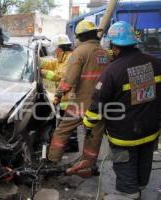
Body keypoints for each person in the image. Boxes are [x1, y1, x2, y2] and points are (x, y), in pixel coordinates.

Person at [67, 21, 161, 199]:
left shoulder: (113, 71)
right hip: (150, 130)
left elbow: (98, 105)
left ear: (113, 45)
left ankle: (129, 193)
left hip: (124, 135)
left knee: (125, 165)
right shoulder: (155, 63)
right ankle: (141, 185)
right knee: (144, 159)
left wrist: (87, 122)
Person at [47, 20, 109, 172]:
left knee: (62, 131)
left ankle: (52, 161)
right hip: (100, 107)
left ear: (80, 36)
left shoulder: (79, 52)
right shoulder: (105, 53)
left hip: (80, 105)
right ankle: (88, 166)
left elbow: (69, 80)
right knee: (93, 137)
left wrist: (58, 96)